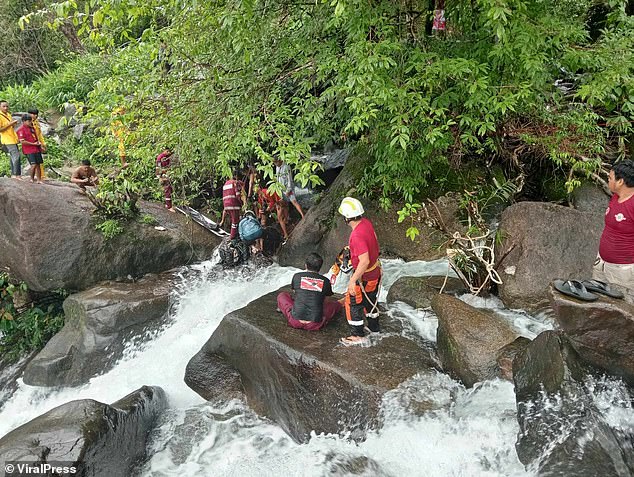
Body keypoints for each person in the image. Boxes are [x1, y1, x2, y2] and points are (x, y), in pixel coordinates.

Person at [338, 197, 382, 345]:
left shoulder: (356, 235)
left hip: (365, 275)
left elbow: (364, 261)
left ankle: (357, 334)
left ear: (346, 217)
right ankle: (374, 328)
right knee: (371, 299)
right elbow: (374, 240)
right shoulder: (366, 223)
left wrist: (352, 280)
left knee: (352, 302)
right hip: (375, 272)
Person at [593, 160, 634, 291]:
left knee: (624, 307)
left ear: (620, 182)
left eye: (610, 178)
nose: (608, 180)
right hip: (602, 263)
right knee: (598, 302)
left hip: (623, 271)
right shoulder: (616, 197)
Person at [277, 252, 342, 330]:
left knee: (282, 296)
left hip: (295, 321)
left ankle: (283, 309)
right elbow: (326, 298)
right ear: (320, 267)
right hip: (315, 324)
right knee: (334, 305)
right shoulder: (326, 281)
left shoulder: (297, 276)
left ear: (306, 265)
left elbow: (295, 292)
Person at [274, 158, 304, 241]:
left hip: (288, 189)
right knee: (285, 206)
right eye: (274, 163)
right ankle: (287, 220)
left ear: (280, 160)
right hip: (281, 190)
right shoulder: (277, 168)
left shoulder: (286, 167)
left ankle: (303, 215)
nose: (276, 164)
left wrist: (288, 190)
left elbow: (290, 179)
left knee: (293, 202)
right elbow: (277, 178)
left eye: (276, 162)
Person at [16, 115, 43, 183]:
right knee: (33, 164)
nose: (30, 122)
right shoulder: (21, 130)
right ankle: (31, 178)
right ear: (24, 121)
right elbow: (22, 141)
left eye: (31, 121)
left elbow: (36, 138)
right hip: (29, 150)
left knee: (38, 164)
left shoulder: (32, 128)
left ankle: (39, 179)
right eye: (29, 121)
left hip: (36, 149)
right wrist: (33, 144)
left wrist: (39, 145)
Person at [0, 100, 21, 179]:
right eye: (4, 106)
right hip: (7, 139)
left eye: (7, 106)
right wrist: (10, 124)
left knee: (13, 156)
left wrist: (13, 124)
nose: (6, 108)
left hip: (13, 138)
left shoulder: (8, 115)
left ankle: (14, 174)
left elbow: (11, 127)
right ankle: (16, 174)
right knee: (16, 156)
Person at [220, 174, 244, 239]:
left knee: (233, 219)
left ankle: (234, 233)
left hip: (226, 205)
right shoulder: (235, 183)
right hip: (233, 204)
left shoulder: (225, 184)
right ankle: (232, 237)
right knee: (235, 221)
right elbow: (238, 195)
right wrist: (242, 203)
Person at [28, 109, 46, 181]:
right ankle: (34, 177)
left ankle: (42, 176)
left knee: (39, 161)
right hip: (32, 144)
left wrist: (43, 143)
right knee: (34, 162)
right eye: (33, 114)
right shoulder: (28, 123)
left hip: (38, 143)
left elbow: (40, 134)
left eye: (36, 114)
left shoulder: (36, 122)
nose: (35, 116)